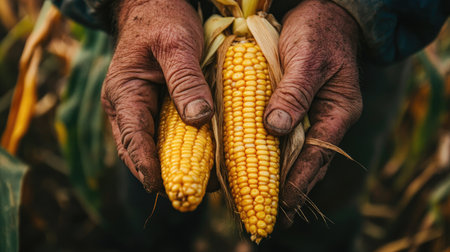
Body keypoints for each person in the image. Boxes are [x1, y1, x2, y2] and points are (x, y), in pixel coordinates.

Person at [53, 0, 449, 230]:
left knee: (316, 217)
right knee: (146, 213)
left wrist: (355, 10)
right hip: (158, 29)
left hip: (333, 45)